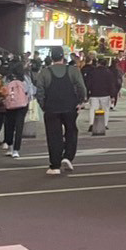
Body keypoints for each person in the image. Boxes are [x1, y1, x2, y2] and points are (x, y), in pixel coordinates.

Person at [36, 46, 87, 175]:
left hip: (51, 108)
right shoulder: (73, 70)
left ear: (51, 57)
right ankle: (68, 156)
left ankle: (55, 165)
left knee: (54, 136)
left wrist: (43, 105)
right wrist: (81, 101)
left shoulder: (45, 72)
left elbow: (40, 91)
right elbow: (82, 87)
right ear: (63, 57)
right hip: (70, 107)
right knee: (71, 131)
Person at [0, 61, 31, 157]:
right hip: (22, 105)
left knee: (9, 125)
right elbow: (29, 91)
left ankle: (10, 146)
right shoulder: (25, 78)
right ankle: (16, 150)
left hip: (10, 105)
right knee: (19, 127)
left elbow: (3, 91)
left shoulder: (7, 79)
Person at [83, 54, 120, 134]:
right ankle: (105, 124)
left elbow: (88, 83)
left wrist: (87, 93)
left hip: (94, 94)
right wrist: (113, 95)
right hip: (105, 94)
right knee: (105, 109)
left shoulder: (93, 72)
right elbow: (111, 84)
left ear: (98, 63)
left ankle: (91, 124)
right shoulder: (108, 73)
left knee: (93, 109)